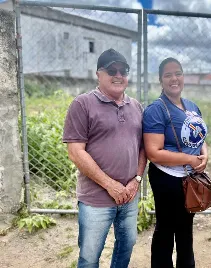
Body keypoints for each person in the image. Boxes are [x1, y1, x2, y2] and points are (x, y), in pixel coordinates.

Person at [63, 48, 147, 268]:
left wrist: (136, 181)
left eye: (123, 70)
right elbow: (75, 152)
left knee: (126, 247)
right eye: (112, 70)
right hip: (96, 199)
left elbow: (142, 148)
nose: (118, 75)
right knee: (89, 257)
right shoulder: (82, 104)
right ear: (99, 74)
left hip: (129, 196)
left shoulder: (136, 106)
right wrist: (110, 185)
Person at [143, 57, 208, 268]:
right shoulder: (156, 109)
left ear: (183, 76)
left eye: (178, 73)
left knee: (185, 230)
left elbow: (200, 137)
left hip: (189, 178)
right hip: (167, 179)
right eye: (168, 74)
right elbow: (153, 153)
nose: (174, 78)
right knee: (166, 230)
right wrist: (190, 159)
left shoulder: (191, 106)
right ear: (161, 80)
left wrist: (204, 154)